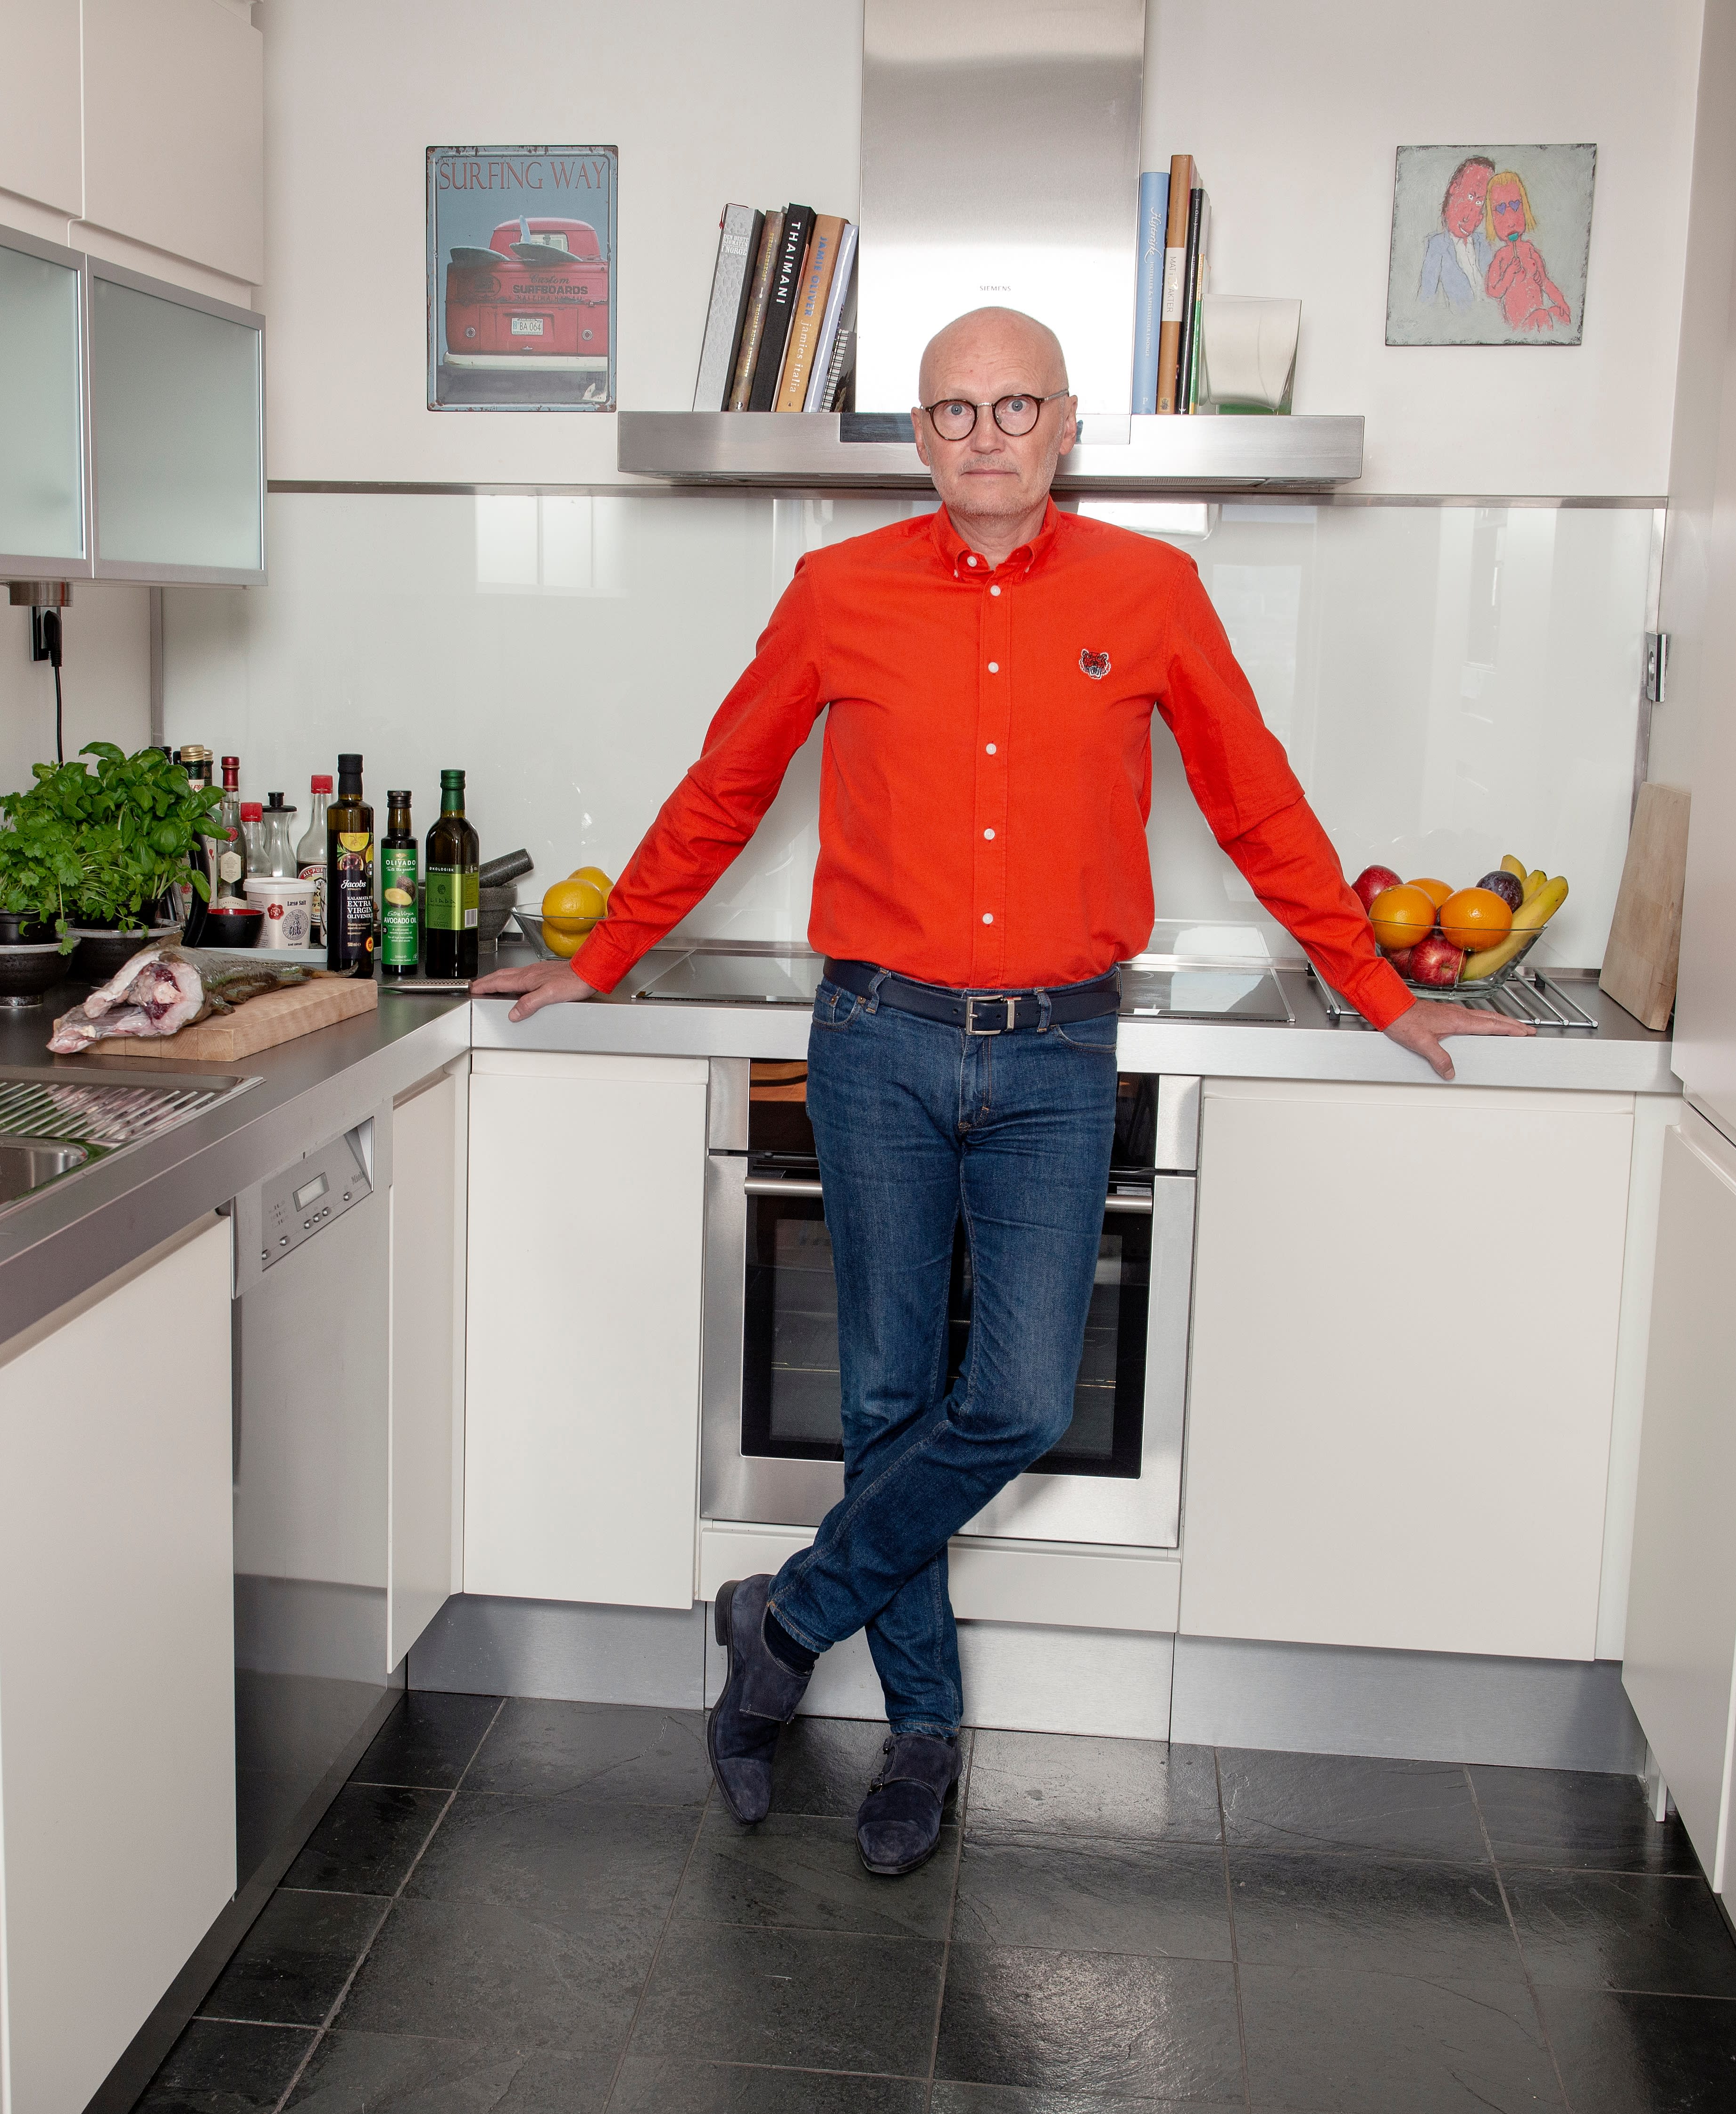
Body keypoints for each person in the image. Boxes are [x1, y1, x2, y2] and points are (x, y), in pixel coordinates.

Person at [473, 308, 1532, 1873]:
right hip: (876, 1040)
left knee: (1022, 1399)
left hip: (1054, 1050)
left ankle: (783, 1621)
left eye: (1015, 405)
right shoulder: (835, 594)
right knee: (888, 1402)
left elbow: (1257, 802)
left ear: (1064, 423)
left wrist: (1381, 990)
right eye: (956, 410)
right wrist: (606, 955)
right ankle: (923, 1732)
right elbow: (724, 789)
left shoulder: (1149, 592)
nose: (987, 434)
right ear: (920, 436)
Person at [1483, 169, 1575, 334]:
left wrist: (1562, 304)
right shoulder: (1501, 258)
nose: (1511, 221)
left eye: (1516, 206)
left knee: (1559, 315)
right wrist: (1508, 275)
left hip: (1539, 317)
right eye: (1501, 210)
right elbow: (1493, 291)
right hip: (1519, 327)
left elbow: (1546, 283)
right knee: (1542, 315)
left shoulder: (1530, 250)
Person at [1417, 155, 1496, 308]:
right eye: (1470, 196)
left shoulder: (1485, 245)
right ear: (1453, 189)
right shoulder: (1437, 246)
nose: (1469, 216)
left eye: (1479, 202)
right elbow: (1426, 301)